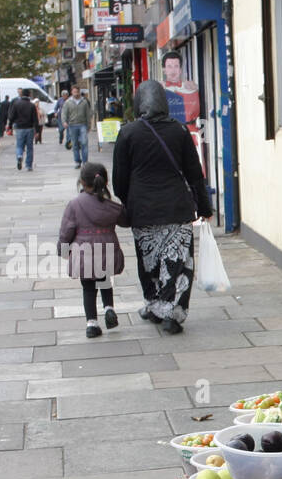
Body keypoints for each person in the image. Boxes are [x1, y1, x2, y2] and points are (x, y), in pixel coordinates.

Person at [112, 80, 213, 334]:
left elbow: (119, 179)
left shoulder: (128, 133)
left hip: (143, 210)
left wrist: (128, 202)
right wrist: (203, 206)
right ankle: (174, 314)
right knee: (178, 262)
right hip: (176, 208)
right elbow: (194, 174)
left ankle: (156, 306)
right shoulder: (178, 131)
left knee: (150, 262)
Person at [59, 161, 126, 339]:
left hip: (84, 252)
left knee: (88, 288)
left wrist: (64, 251)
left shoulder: (74, 204)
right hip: (107, 250)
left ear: (81, 181)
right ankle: (109, 308)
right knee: (104, 281)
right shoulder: (110, 205)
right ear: (105, 182)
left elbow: (66, 231)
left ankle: (92, 324)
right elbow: (126, 220)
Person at [5, 88, 38, 170]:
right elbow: (35, 119)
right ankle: (28, 165)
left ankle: (19, 156)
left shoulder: (16, 104)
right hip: (29, 128)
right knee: (29, 147)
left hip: (19, 128)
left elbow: (12, 116)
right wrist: (37, 131)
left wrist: (9, 126)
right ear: (29, 95)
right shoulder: (32, 105)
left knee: (19, 145)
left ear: (22, 94)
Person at [62, 86, 92, 168]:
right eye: (74, 92)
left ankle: (85, 161)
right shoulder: (68, 102)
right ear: (71, 92)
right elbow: (64, 113)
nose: (76, 93)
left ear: (79, 92)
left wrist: (89, 125)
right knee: (75, 144)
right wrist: (64, 121)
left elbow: (88, 114)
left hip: (83, 124)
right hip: (72, 125)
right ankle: (77, 161)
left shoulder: (84, 102)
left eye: (77, 92)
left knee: (84, 143)